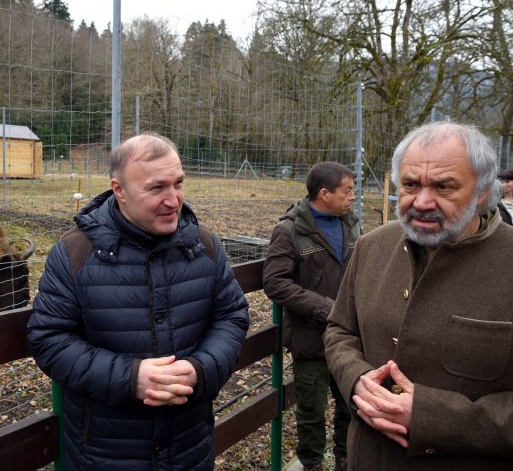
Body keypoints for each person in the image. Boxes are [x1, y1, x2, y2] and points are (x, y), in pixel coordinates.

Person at [324, 120, 513, 470]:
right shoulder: (371, 247)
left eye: (444, 187)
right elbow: (340, 331)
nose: (422, 202)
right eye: (411, 185)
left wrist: (433, 418)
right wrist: (356, 380)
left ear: (483, 192)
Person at [27, 132, 250, 470]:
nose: (173, 200)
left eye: (178, 183)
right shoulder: (76, 253)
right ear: (120, 190)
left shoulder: (204, 246)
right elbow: (49, 338)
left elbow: (232, 317)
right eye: (156, 188)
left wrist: (200, 370)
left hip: (189, 449)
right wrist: (130, 378)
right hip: (102, 455)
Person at [263, 162, 360, 471]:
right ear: (324, 194)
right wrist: (328, 309)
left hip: (350, 338)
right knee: (311, 411)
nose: (353, 197)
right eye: (347, 191)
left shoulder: (352, 224)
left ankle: (346, 458)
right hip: (311, 338)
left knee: (351, 403)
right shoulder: (289, 230)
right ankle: (313, 463)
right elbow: (276, 283)